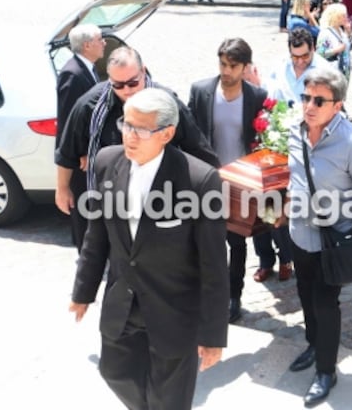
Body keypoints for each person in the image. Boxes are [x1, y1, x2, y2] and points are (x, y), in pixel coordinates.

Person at [69, 88, 229, 410]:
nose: (130, 136)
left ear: (167, 133)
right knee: (113, 372)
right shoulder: (106, 162)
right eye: (126, 125)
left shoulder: (199, 181)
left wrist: (213, 336)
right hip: (122, 305)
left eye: (141, 130)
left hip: (174, 313)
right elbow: (96, 234)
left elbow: (214, 265)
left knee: (169, 401)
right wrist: (83, 291)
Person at [285, 67, 352, 406]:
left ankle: (326, 371)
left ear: (338, 105)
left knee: (325, 303)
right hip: (300, 233)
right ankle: (315, 345)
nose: (309, 106)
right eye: (305, 98)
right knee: (304, 293)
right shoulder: (294, 132)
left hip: (335, 241)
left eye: (318, 100)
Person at [55, 47, 219, 250]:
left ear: (144, 71)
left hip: (159, 198)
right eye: (118, 85)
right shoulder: (89, 105)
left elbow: (199, 151)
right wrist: (62, 188)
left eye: (133, 82)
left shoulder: (168, 104)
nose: (127, 90)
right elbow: (66, 152)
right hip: (109, 199)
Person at [188, 38, 278, 324]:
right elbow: (190, 134)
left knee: (236, 244)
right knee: (202, 240)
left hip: (241, 184)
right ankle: (203, 292)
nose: (226, 71)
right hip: (207, 181)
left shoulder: (256, 96)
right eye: (222, 64)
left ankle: (233, 296)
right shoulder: (201, 90)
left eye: (233, 66)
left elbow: (265, 141)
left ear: (245, 67)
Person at [55, 24, 105, 252]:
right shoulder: (72, 74)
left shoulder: (89, 69)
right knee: (83, 207)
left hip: (90, 155)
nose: (104, 43)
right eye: (100, 39)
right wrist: (80, 151)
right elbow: (68, 120)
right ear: (87, 45)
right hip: (80, 160)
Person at [262, 27, 331, 104]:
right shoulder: (279, 65)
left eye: (305, 56)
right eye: (295, 57)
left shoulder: (325, 70)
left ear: (312, 49)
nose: (300, 61)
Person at [316, 3, 352, 77]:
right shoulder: (326, 33)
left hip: (344, 71)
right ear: (336, 17)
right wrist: (336, 50)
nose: (346, 18)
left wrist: (348, 34)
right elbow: (320, 53)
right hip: (331, 72)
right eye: (343, 16)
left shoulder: (341, 31)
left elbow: (348, 48)